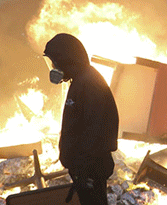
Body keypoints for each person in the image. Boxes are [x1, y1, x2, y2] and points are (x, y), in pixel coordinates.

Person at [43, 33, 119, 205]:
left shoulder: (89, 84)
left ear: (66, 59)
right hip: (85, 169)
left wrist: (84, 168)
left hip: (90, 169)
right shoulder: (81, 80)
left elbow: (96, 128)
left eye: (55, 61)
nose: (53, 67)